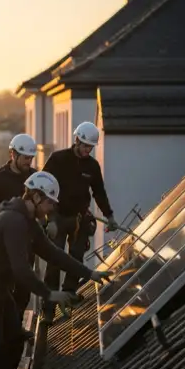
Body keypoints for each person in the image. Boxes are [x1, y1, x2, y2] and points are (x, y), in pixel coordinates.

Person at [0, 171, 112, 369]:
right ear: (36, 197)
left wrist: (89, 273)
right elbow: (21, 270)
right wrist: (49, 294)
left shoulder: (28, 222)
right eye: (50, 202)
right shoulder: (14, 222)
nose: (52, 208)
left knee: (14, 338)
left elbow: (53, 253)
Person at [41, 121, 118, 309]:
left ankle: (69, 293)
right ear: (76, 140)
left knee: (76, 257)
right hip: (57, 216)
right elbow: (42, 186)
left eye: (90, 147)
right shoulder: (58, 159)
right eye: (85, 146)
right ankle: (49, 306)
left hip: (79, 219)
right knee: (55, 260)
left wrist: (109, 216)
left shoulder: (92, 166)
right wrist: (49, 219)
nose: (87, 150)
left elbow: (99, 193)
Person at [0, 133, 37, 338]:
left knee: (23, 287)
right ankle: (1, 331)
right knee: (2, 287)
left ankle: (15, 328)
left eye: (31, 158)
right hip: (2, 244)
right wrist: (5, 209)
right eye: (25, 158)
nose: (28, 162)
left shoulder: (34, 178)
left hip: (26, 241)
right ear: (13, 154)